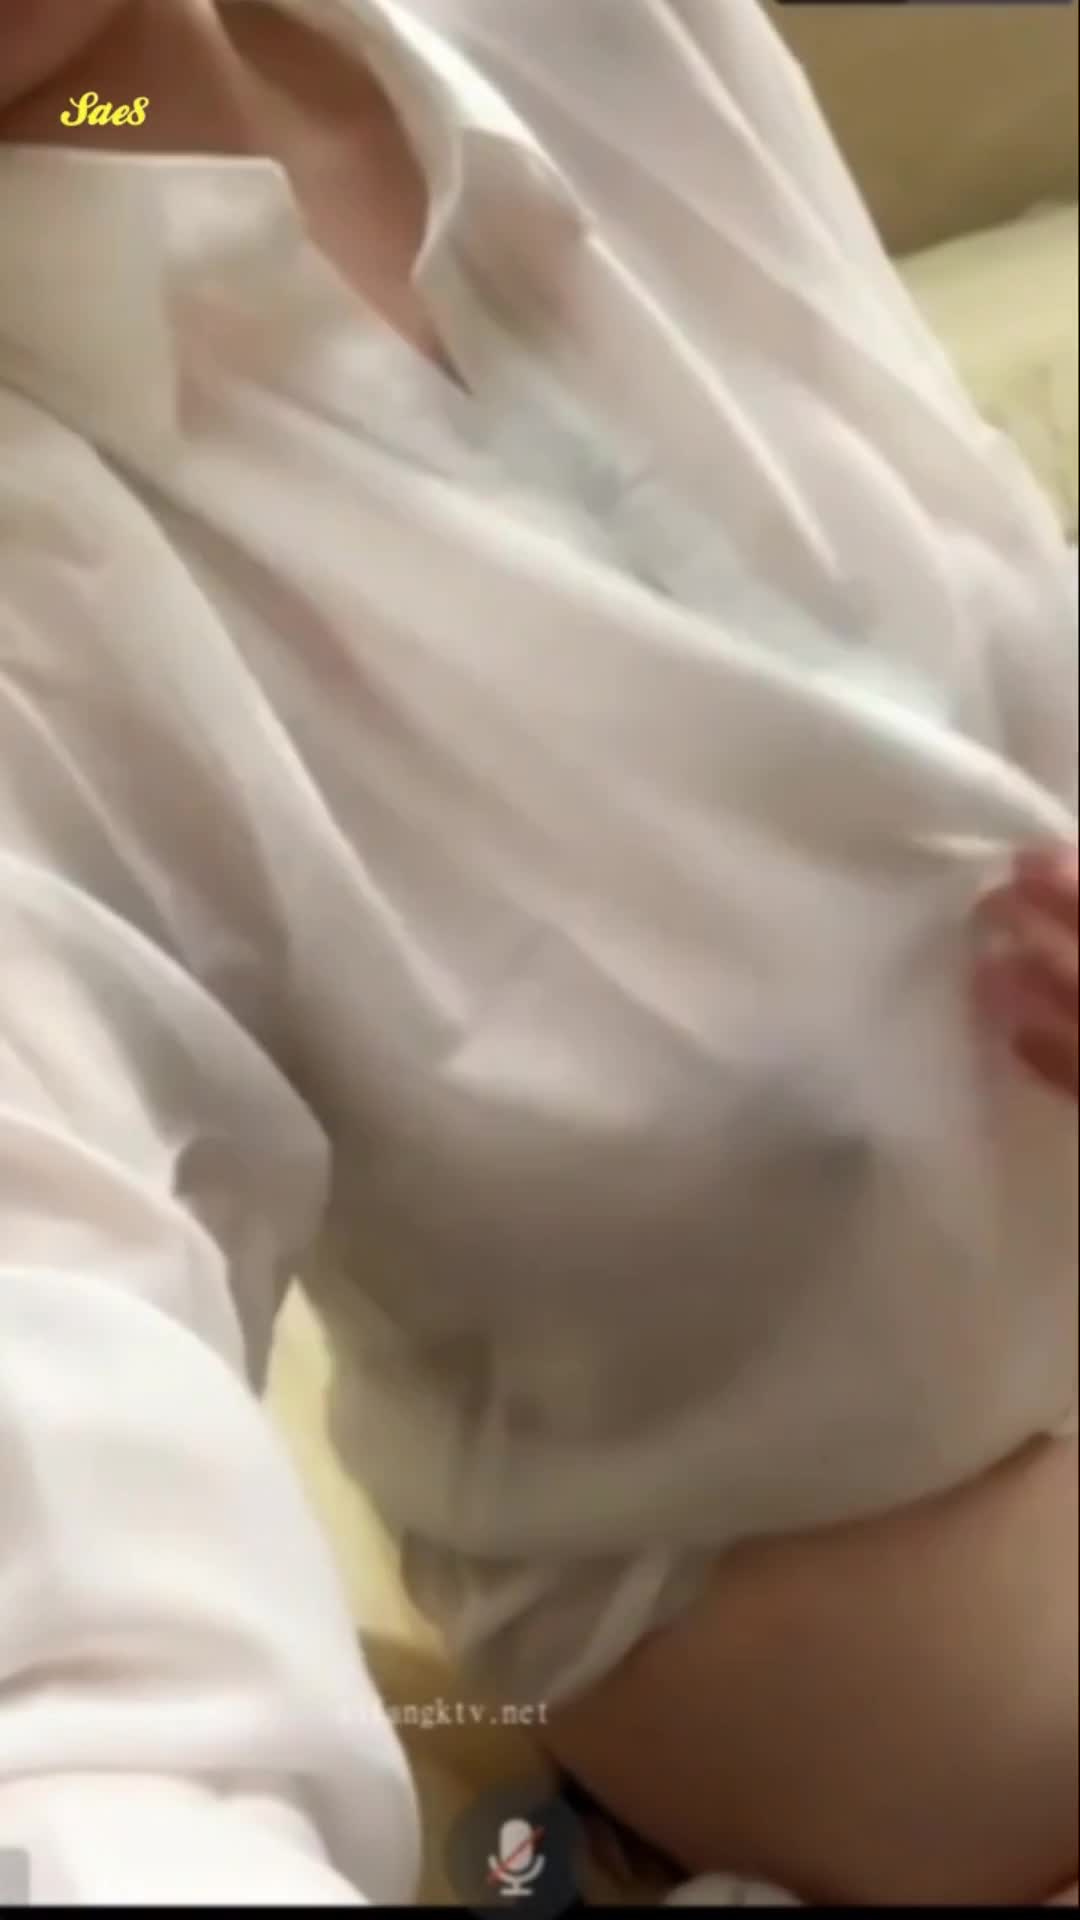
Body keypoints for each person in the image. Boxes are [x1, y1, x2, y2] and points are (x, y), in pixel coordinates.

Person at [0, 0, 1076, 1904]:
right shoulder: (49, 607)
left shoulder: (587, 42)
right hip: (859, 1666)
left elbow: (975, 648)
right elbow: (86, 1702)